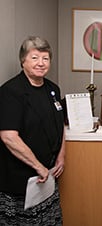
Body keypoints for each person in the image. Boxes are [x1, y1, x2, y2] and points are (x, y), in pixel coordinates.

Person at [0, 36, 65, 225]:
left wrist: (61, 156)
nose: (41, 63)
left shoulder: (53, 89)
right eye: (35, 58)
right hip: (21, 180)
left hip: (48, 175)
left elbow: (59, 124)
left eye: (45, 58)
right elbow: (8, 137)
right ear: (23, 60)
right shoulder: (11, 92)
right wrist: (38, 167)